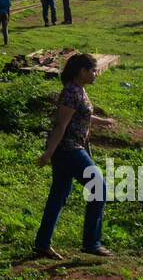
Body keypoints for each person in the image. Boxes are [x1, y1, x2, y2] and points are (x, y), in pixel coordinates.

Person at [33, 53, 114, 259]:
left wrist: (103, 122)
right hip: (69, 149)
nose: (96, 74)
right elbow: (61, 123)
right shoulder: (71, 92)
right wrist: (48, 153)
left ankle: (42, 244)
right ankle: (91, 242)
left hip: (69, 149)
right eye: (93, 70)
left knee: (58, 197)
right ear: (82, 72)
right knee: (99, 188)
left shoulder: (79, 90)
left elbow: (82, 115)